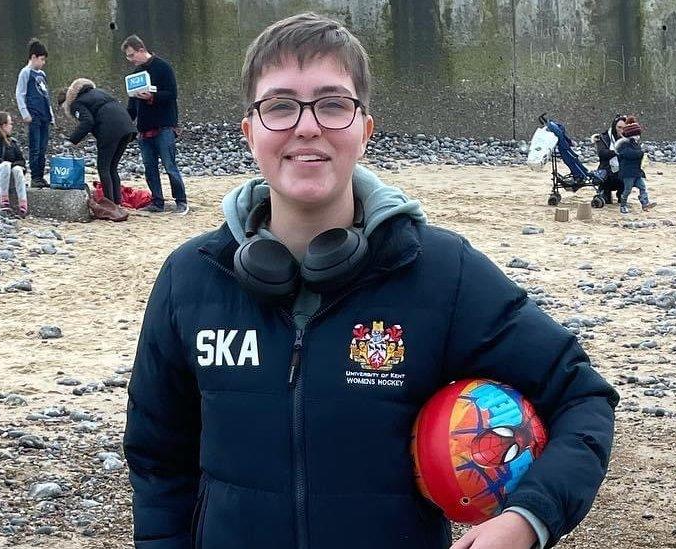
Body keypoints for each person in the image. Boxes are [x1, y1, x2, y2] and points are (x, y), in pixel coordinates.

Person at [123, 12, 618, 549]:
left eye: (333, 104)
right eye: (280, 105)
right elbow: (157, 461)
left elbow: (581, 397)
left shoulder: (440, 272)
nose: (307, 125)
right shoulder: (190, 279)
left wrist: (527, 519)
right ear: (249, 131)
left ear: (365, 129)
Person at [121, 34, 189, 215]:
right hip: (144, 129)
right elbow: (132, 105)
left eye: (131, 55)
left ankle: (181, 201)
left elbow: (172, 94)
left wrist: (152, 97)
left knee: (170, 166)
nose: (130, 60)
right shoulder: (135, 74)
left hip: (164, 126)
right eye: (128, 57)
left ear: (141, 50)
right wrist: (125, 124)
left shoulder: (163, 67)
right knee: (150, 168)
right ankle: (157, 201)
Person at [56, 79, 137, 205]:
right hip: (127, 128)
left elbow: (87, 122)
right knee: (112, 168)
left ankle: (110, 204)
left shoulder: (75, 104)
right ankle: (117, 202)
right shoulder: (98, 92)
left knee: (103, 169)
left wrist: (72, 140)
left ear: (65, 102)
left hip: (110, 130)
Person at [15, 38, 54, 188]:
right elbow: (20, 94)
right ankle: (35, 176)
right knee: (35, 147)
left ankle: (40, 175)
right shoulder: (25, 73)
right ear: (33, 57)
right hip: (34, 115)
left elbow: (46, 96)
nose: (43, 62)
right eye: (41, 59)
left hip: (44, 115)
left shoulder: (42, 74)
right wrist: (25, 113)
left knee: (43, 147)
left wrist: (51, 115)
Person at [614, 115, 657, 214]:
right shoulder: (623, 144)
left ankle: (645, 203)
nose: (638, 136)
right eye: (636, 134)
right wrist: (641, 153)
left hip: (637, 172)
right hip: (628, 173)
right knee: (627, 190)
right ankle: (623, 205)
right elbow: (629, 154)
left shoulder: (635, 144)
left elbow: (637, 155)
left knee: (642, 187)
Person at [591, 115, 626, 204]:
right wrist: (616, 152)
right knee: (607, 203)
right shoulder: (603, 137)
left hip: (622, 174)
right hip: (606, 173)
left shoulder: (628, 139)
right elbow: (602, 153)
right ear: (614, 127)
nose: (621, 130)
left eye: (624, 128)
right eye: (619, 127)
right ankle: (605, 196)